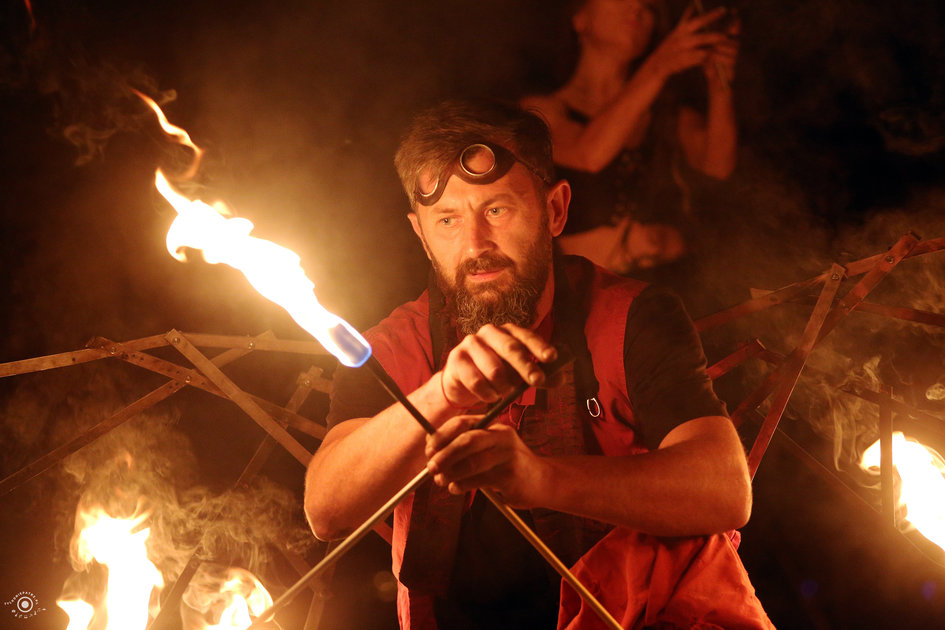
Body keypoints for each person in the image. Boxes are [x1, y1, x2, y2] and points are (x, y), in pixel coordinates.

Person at [304, 100, 772, 629]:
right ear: (420, 234)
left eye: (497, 210)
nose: (475, 244)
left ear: (555, 210)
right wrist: (440, 394)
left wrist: (537, 477)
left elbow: (725, 490)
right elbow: (326, 511)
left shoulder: (633, 317)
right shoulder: (393, 346)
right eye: (447, 220)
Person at [521, 0, 739, 276]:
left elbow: (716, 167)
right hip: (588, 290)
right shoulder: (542, 111)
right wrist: (661, 64)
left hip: (674, 280)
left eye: (649, 5)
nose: (637, 7)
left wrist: (720, 83)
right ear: (580, 18)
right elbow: (588, 155)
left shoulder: (666, 111)